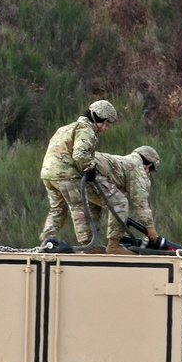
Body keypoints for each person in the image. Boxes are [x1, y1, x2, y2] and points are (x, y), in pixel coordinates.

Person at [38, 99, 118, 252]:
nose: (106, 128)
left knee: (57, 209)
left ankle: (47, 240)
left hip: (48, 174)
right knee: (79, 207)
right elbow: (80, 154)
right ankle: (87, 245)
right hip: (65, 175)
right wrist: (90, 167)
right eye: (106, 124)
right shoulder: (85, 129)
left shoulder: (66, 128)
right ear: (97, 118)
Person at [89, 145, 161, 255]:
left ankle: (87, 245)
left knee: (92, 207)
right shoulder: (136, 168)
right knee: (120, 203)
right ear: (148, 164)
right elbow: (140, 202)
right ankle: (113, 245)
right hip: (90, 173)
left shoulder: (124, 164)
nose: (149, 174)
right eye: (150, 169)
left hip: (79, 172)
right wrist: (150, 228)